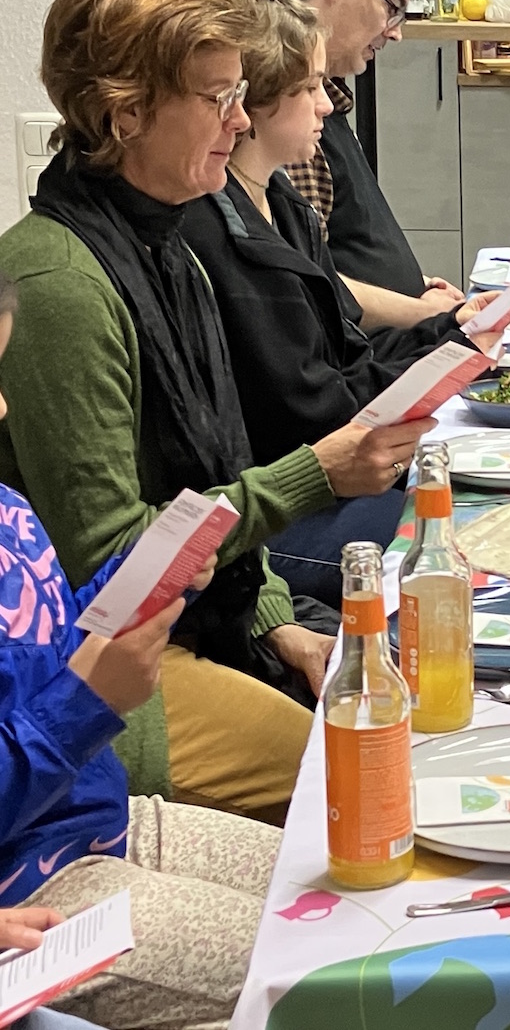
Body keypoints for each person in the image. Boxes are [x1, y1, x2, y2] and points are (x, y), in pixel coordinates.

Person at [0, 0, 430, 819]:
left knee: (393, 707)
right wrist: (319, 473)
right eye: (216, 99)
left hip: (191, 622)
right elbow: (115, 563)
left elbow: (206, 475)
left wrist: (278, 623)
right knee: (368, 781)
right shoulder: (58, 284)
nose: (239, 122)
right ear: (126, 115)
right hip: (99, 679)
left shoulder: (166, 249)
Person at [1, 276, 279, 1029]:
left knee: (358, 893)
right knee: (335, 973)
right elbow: (56, 708)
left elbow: (47, 639)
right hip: (30, 895)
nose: (1, 407)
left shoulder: (7, 512)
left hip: (97, 822)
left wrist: (137, 590)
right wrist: (82, 707)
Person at [182, 0, 499, 604]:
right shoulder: (219, 236)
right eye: (309, 88)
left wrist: (450, 331)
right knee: (470, 539)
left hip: (330, 481)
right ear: (259, 103)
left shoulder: (283, 205)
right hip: (287, 520)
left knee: (482, 499)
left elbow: (350, 354)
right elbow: (315, 410)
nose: (327, 106)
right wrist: (445, 351)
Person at [277, 0, 464, 329]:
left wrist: (414, 285)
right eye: (392, 7)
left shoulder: (331, 95)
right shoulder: (289, 111)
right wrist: (422, 312)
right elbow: (309, 281)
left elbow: (347, 247)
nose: (395, 31)